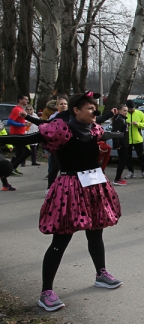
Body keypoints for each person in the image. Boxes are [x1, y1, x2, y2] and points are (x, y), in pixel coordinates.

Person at [0, 92, 124, 311]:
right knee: (61, 240)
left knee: (96, 232)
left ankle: (101, 273)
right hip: (70, 189)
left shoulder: (93, 129)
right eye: (90, 109)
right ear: (76, 111)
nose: (95, 112)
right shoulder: (60, 130)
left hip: (94, 187)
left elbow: (105, 135)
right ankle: (46, 292)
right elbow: (27, 139)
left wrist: (119, 135)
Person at [124, 100, 144, 179]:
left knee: (141, 156)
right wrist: (126, 125)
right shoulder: (124, 114)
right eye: (129, 108)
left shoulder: (140, 113)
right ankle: (130, 172)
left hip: (138, 139)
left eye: (132, 108)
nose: (131, 110)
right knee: (128, 156)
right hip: (127, 139)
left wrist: (138, 124)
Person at [7, 93, 31, 175]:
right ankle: (12, 167)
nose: (27, 101)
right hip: (16, 134)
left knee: (22, 152)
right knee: (25, 152)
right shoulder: (16, 109)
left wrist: (25, 123)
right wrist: (23, 124)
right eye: (25, 99)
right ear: (20, 100)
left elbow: (19, 120)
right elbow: (9, 121)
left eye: (27, 99)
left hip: (21, 134)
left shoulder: (22, 110)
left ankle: (12, 168)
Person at [111, 105, 129, 185]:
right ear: (119, 111)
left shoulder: (123, 119)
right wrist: (117, 144)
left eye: (127, 110)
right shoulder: (119, 120)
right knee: (122, 162)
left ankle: (119, 177)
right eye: (124, 110)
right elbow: (115, 132)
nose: (126, 112)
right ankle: (117, 179)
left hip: (125, 143)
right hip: (121, 144)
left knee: (123, 161)